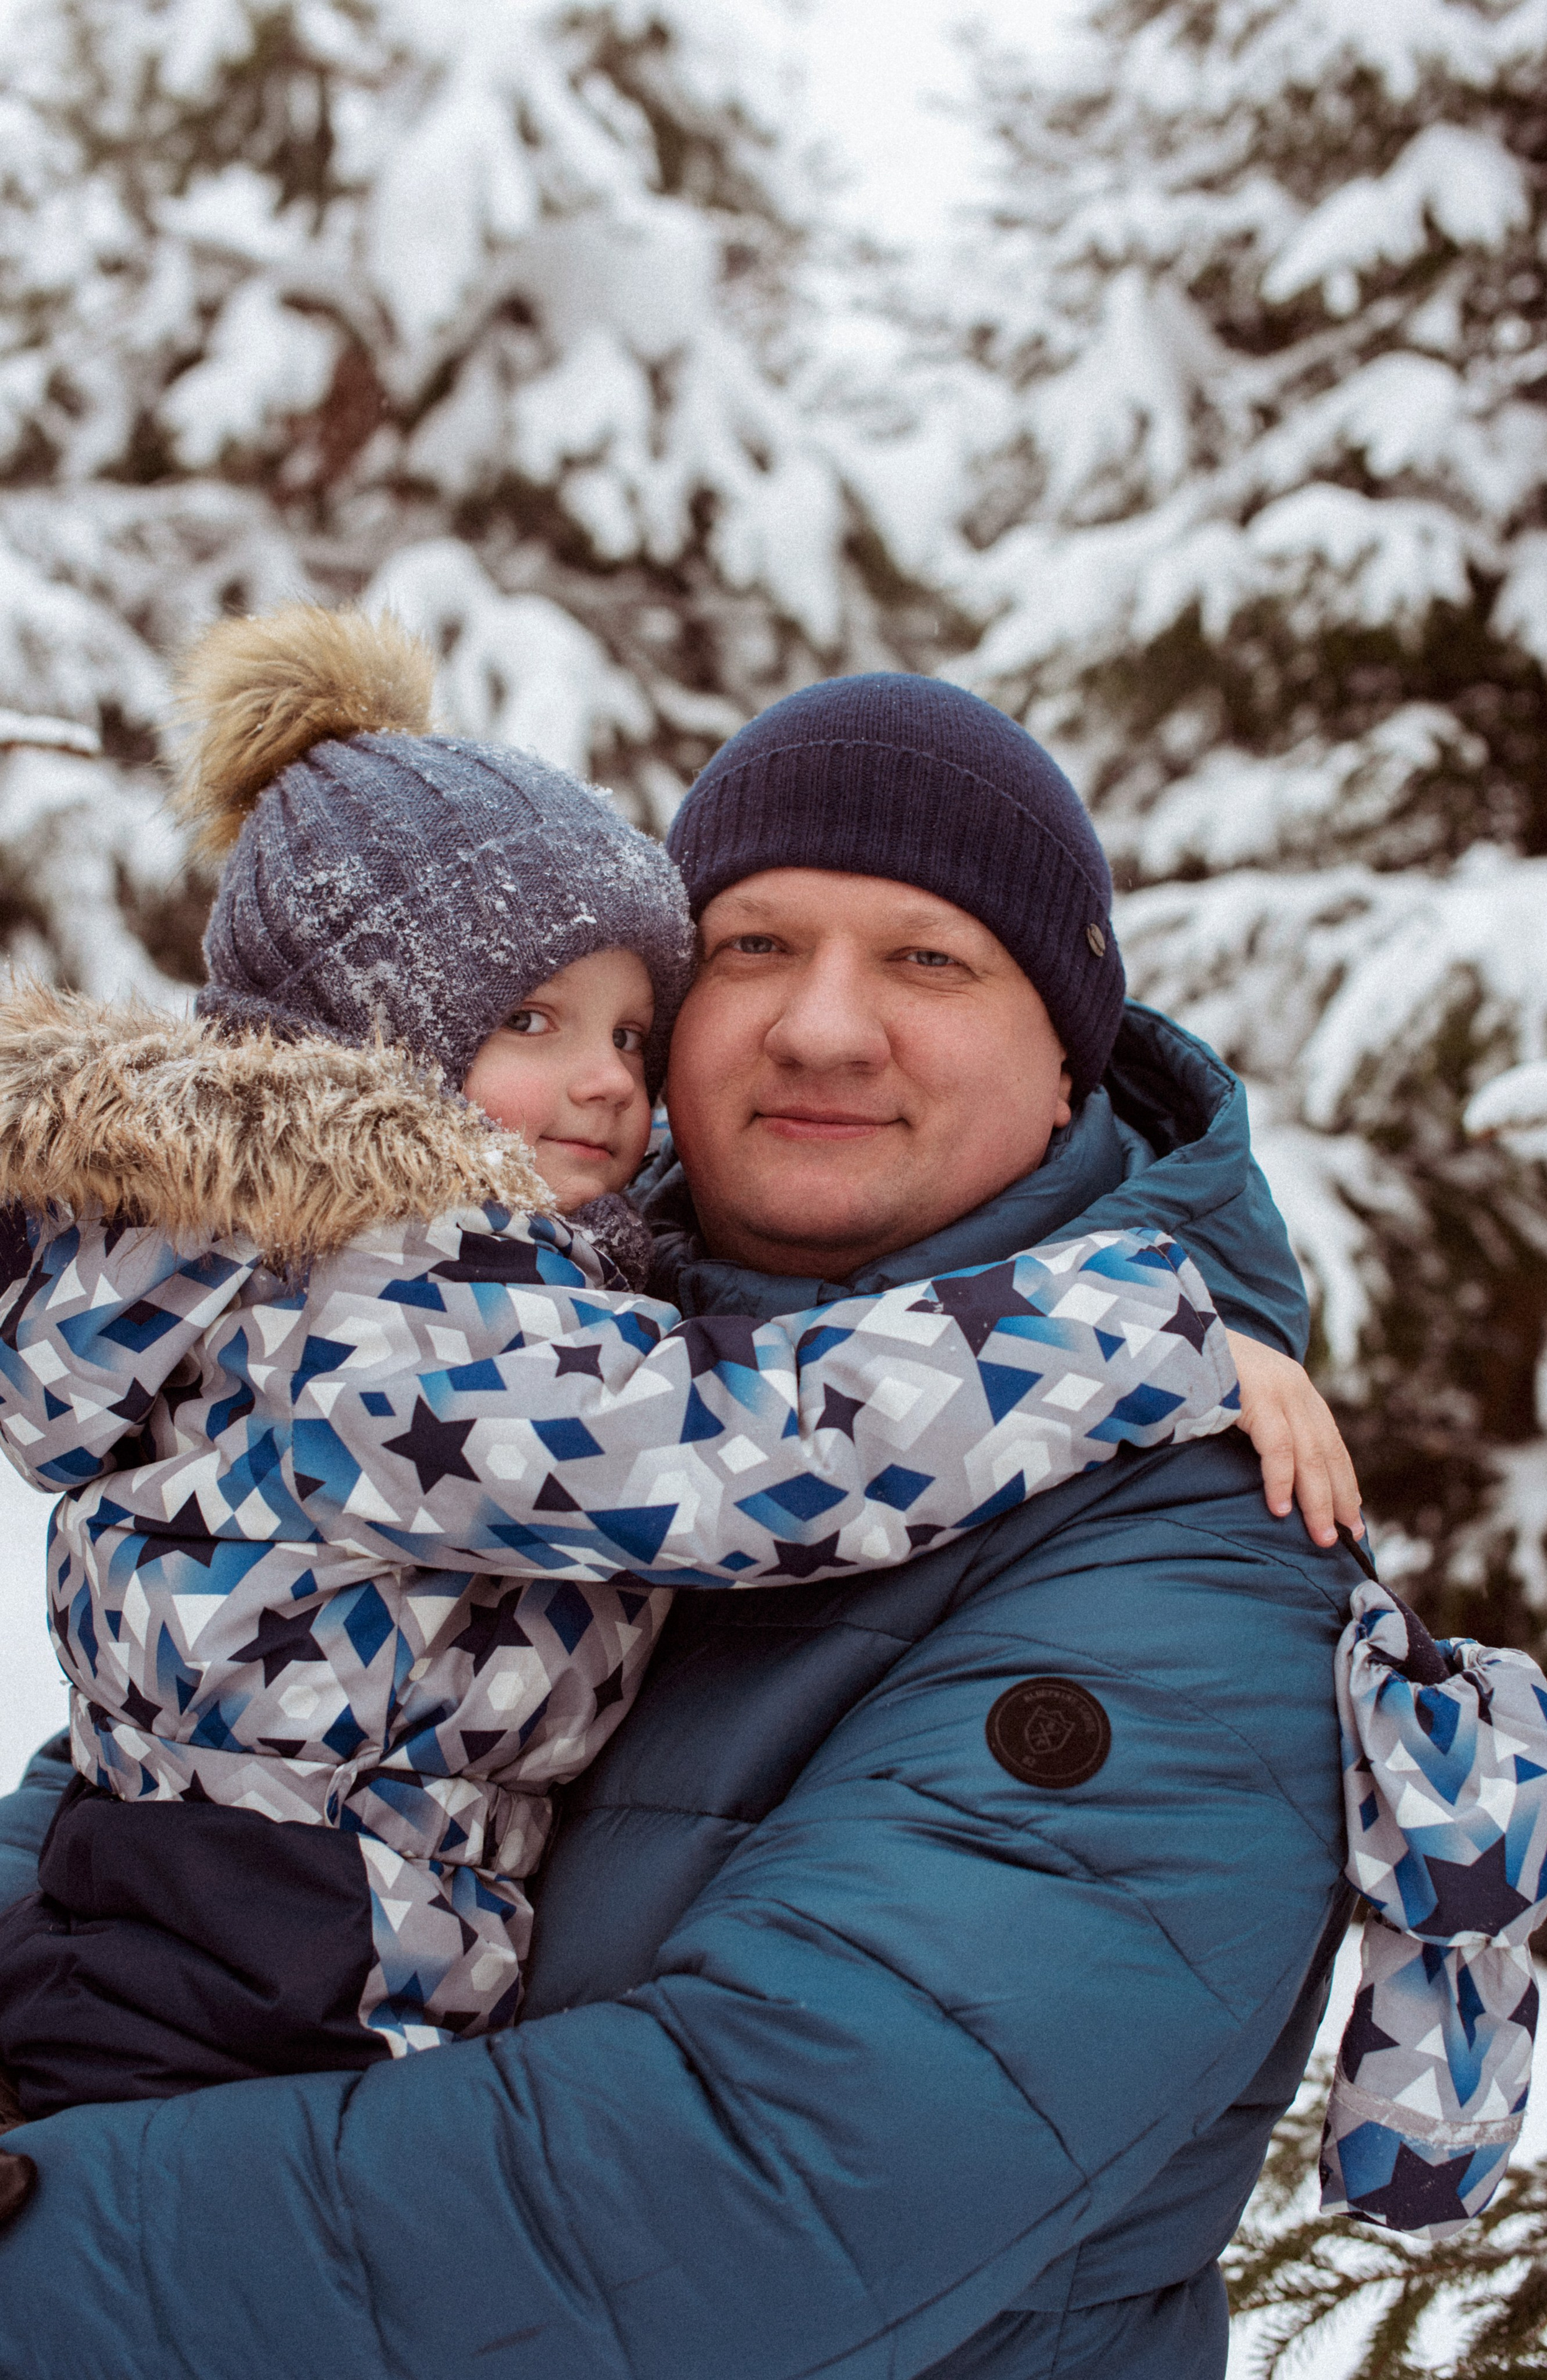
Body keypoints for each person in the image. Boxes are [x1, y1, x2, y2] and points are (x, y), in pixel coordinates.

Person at [0, 670, 1384, 2378]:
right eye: (746, 949)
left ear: (1065, 1064)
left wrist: (42, 2243)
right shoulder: (513, 1349)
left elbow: (758, 2195)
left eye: (930, 957)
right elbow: (131, 1779)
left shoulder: (1196, 1529)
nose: (820, 1024)